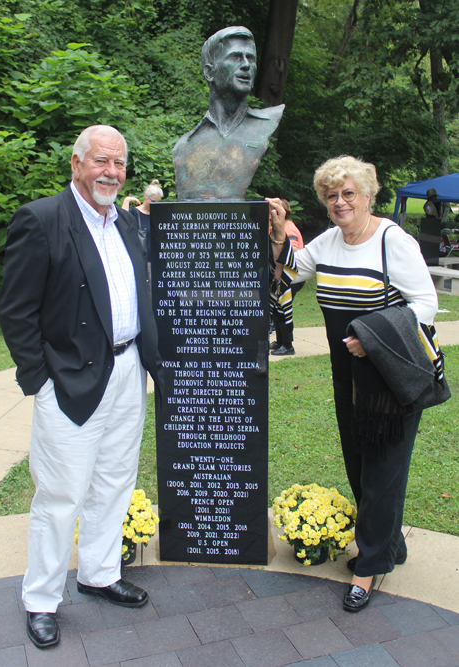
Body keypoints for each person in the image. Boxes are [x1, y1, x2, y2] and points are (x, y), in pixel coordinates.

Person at [0, 125, 163, 649]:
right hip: (68, 379)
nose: (111, 172)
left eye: (119, 163)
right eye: (101, 162)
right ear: (76, 163)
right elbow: (16, 311)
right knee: (61, 493)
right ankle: (41, 599)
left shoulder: (129, 223)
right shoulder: (43, 219)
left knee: (115, 479)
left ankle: (98, 573)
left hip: (127, 372)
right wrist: (39, 381)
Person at [267, 155, 441, 613]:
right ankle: (389, 546)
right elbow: (285, 279)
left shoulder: (392, 240)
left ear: (368, 195)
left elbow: (426, 302)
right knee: (360, 465)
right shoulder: (327, 242)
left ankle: (368, 566)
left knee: (382, 472)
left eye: (349, 193)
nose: (340, 202)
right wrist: (279, 234)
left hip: (390, 377)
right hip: (347, 378)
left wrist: (372, 337)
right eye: (332, 195)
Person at [173, 26, 284, 200]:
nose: (246, 65)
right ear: (210, 72)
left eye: (251, 58)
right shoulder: (184, 147)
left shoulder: (266, 124)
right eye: (236, 57)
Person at [269, 199, 304, 356]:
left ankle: (288, 345)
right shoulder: (279, 227)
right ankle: (280, 341)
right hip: (282, 274)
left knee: (282, 308)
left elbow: (294, 248)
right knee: (277, 308)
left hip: (292, 276)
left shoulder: (289, 228)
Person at [122, 180, 163, 299]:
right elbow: (122, 222)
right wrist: (127, 200)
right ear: (146, 196)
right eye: (153, 201)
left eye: (158, 202)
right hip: (142, 261)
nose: (155, 204)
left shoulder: (159, 213)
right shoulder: (135, 212)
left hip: (157, 261)